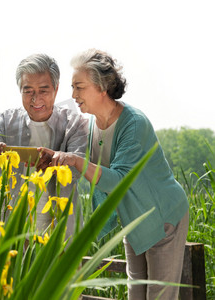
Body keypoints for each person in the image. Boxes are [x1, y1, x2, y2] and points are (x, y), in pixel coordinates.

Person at [38, 49, 189, 300]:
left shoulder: (134, 123)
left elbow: (118, 180)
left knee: (159, 296)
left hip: (163, 217)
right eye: (72, 87)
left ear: (102, 87)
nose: (73, 94)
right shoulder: (92, 125)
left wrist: (75, 160)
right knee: (136, 294)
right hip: (133, 220)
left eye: (79, 87)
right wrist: (56, 157)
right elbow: (87, 167)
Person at [0, 53, 88, 238]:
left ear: (56, 89)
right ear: (20, 90)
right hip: (12, 231)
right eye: (28, 91)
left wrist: (58, 161)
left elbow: (78, 170)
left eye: (43, 90)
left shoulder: (75, 123)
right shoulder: (4, 122)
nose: (36, 99)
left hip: (60, 232)